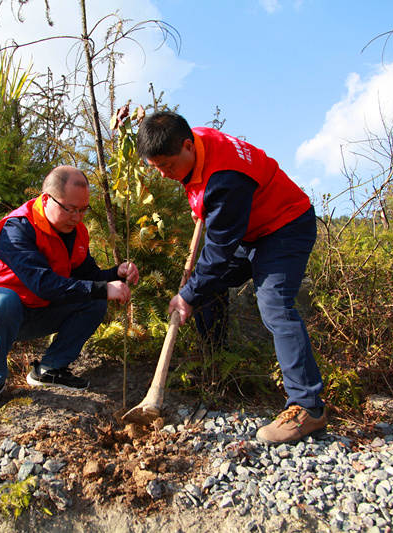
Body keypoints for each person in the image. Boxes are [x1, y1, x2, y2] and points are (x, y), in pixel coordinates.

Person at [137, 111, 325, 444]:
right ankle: (214, 366)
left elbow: (220, 249)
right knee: (205, 288)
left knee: (274, 306)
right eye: (157, 169)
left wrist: (188, 294)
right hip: (251, 231)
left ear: (187, 146)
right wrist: (196, 291)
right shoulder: (194, 142)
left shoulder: (226, 178)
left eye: (167, 166)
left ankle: (307, 408)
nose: (165, 176)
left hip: (285, 227)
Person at [0, 166, 139, 415]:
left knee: (94, 301)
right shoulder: (15, 229)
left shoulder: (76, 233)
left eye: (83, 210)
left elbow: (89, 277)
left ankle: (49, 369)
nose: (78, 217)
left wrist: (116, 274)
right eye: (71, 209)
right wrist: (102, 287)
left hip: (35, 311)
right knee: (5, 300)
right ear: (46, 199)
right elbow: (43, 284)